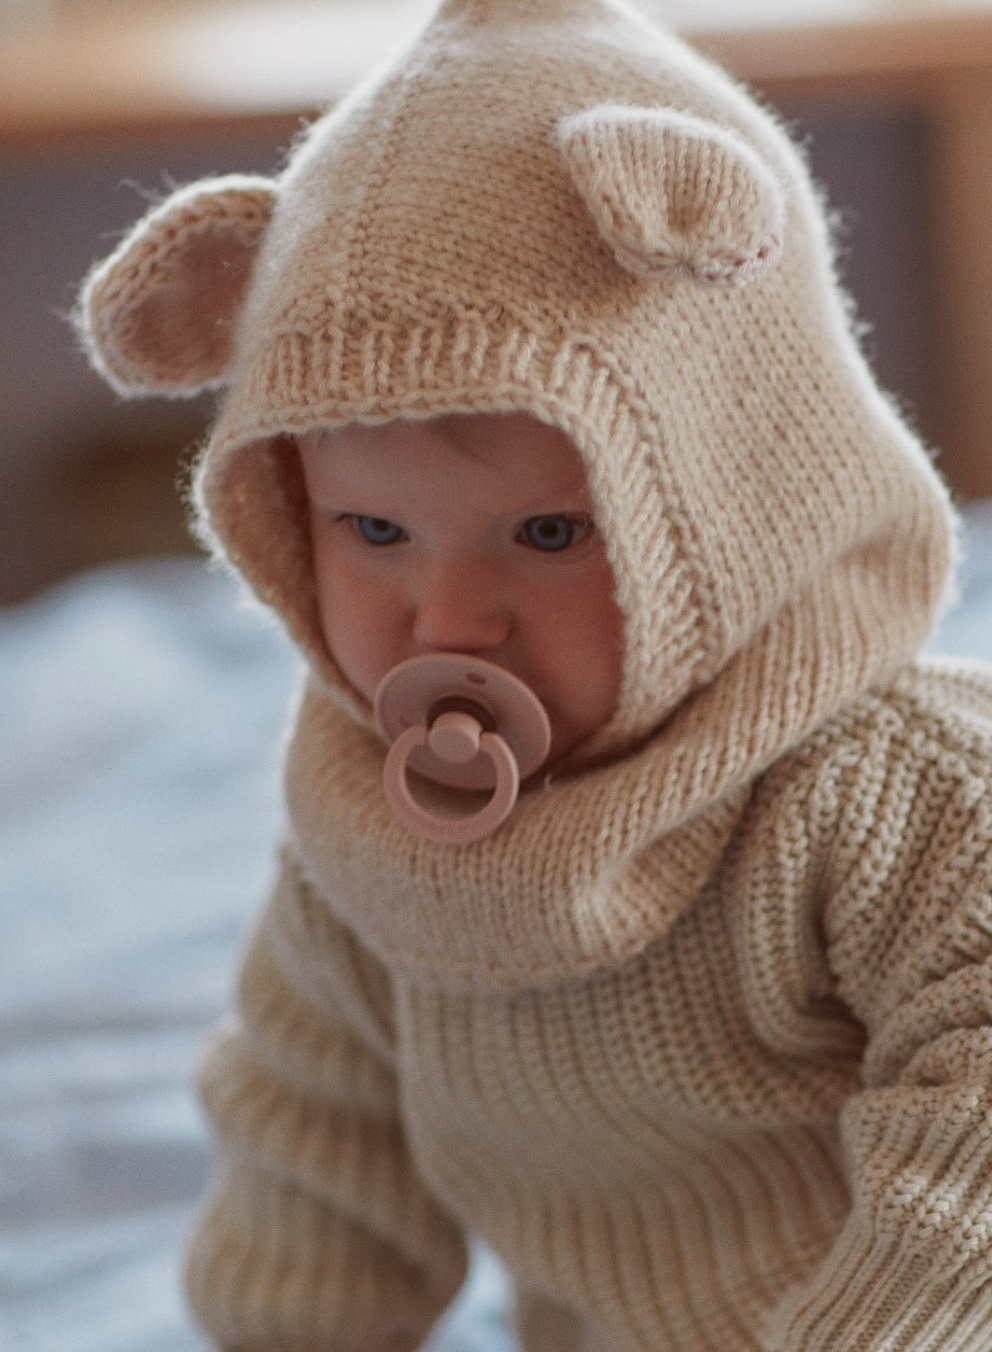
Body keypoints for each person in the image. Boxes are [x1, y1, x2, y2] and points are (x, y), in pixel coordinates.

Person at [76, 0, 992, 1348]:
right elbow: (313, 1152)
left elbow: (969, 1160)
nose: (450, 617)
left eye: (549, 534)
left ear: (731, 507)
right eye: (375, 532)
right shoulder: (370, 831)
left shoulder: (896, 799)